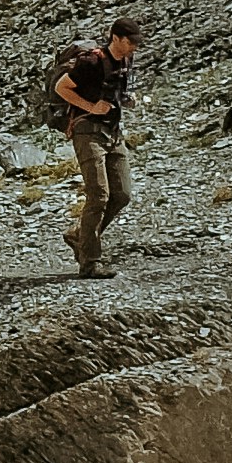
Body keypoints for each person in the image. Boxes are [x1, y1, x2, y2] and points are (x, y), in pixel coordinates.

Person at [52, 17, 140, 273]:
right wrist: (91, 107)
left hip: (113, 132)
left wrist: (127, 99)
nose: (133, 47)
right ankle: (90, 263)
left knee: (122, 194)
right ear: (116, 38)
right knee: (99, 194)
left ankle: (81, 235)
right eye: (130, 42)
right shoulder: (91, 62)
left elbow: (115, 92)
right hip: (87, 131)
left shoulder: (125, 60)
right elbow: (62, 87)